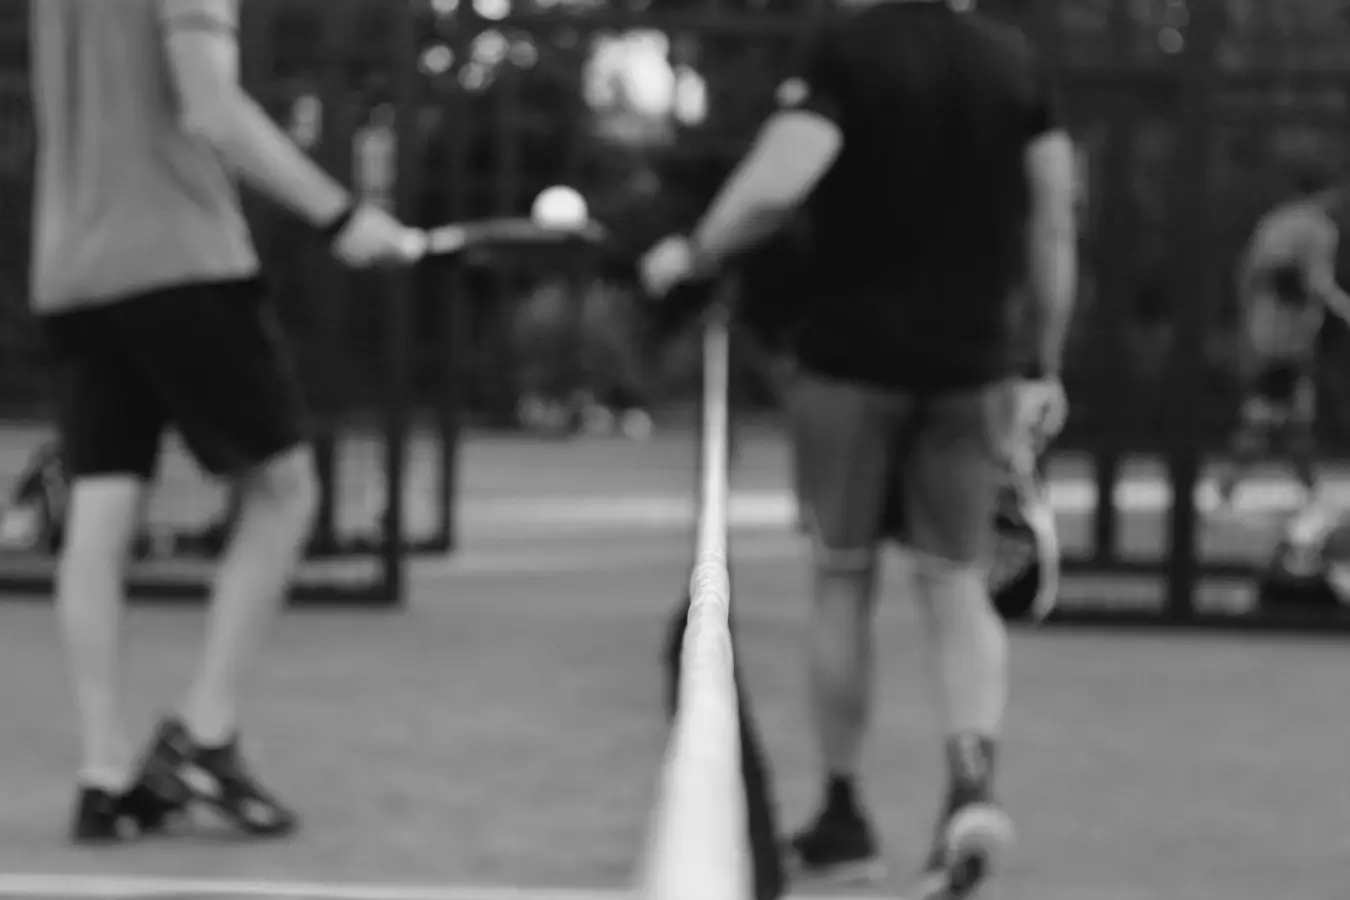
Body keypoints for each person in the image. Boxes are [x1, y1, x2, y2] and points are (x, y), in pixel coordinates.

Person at [639, 1, 1076, 897]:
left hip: (850, 364)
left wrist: (693, 250)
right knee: (957, 584)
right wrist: (1045, 362)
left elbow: (775, 182)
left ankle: (843, 818)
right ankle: (969, 787)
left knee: (843, 580)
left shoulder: (849, 49)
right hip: (972, 368)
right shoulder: (1013, 63)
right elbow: (1055, 221)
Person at [31, 0, 418, 842]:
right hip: (179, 260)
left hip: (69, 267)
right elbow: (211, 107)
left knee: (100, 511)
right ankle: (206, 736)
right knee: (284, 492)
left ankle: (103, 775)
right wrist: (341, 215)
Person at [1213, 167, 1350, 523]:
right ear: (1330, 190)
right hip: (1289, 337)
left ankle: (1311, 492)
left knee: (1297, 416)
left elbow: (1247, 272)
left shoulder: (1275, 222)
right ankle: (1227, 487)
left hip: (1266, 330)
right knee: (1265, 416)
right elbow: (1314, 282)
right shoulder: (1319, 229)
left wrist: (1247, 322)